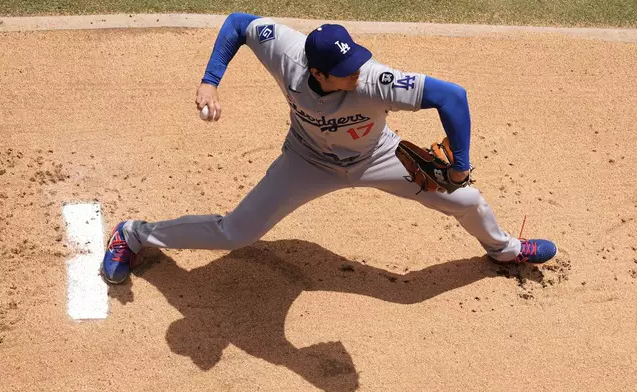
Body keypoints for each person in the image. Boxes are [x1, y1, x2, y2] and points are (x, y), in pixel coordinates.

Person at [101, 13, 557, 285]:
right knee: (235, 233)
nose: (358, 72)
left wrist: (460, 167)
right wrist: (210, 80)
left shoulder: (376, 80)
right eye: (346, 70)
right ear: (317, 73)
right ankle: (134, 234)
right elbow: (239, 24)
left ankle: (503, 249)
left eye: (358, 62)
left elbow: (452, 97)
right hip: (306, 161)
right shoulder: (287, 52)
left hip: (379, 157)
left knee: (468, 200)